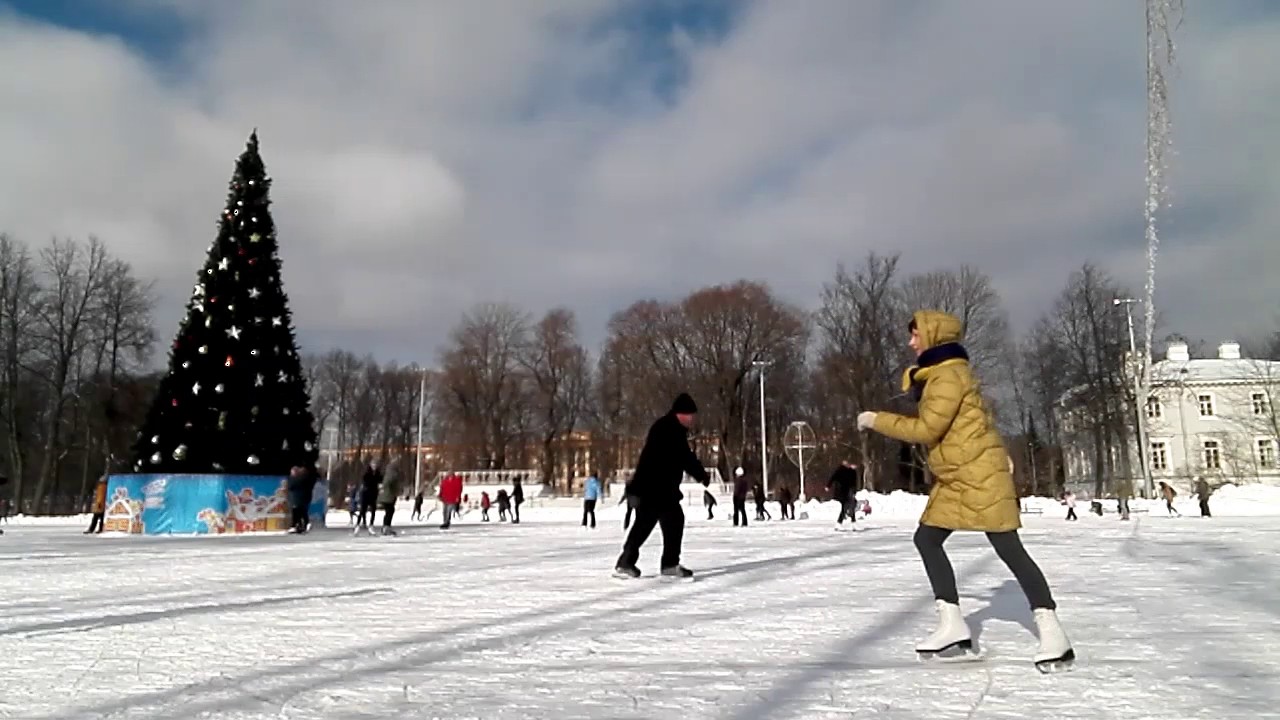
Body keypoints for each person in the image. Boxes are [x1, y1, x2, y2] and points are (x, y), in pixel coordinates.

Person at [857, 310, 1073, 672]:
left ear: (932, 335)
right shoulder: (940, 374)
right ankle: (952, 625)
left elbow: (927, 429)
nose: (911, 342)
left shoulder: (948, 377)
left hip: (979, 473)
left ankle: (1053, 632)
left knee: (1008, 548)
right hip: (957, 475)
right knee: (927, 539)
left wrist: (876, 420)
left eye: (915, 335)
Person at [613, 393, 710, 579]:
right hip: (654, 488)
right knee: (647, 525)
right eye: (691, 415)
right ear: (681, 414)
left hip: (661, 489)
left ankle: (664, 563)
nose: (693, 419)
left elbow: (681, 457)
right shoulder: (668, 429)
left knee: (669, 522)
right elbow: (683, 457)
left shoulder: (670, 428)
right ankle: (632, 562)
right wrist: (700, 474)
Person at [827, 461, 858, 529]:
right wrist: (828, 486)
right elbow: (833, 478)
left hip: (847, 492)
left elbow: (853, 482)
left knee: (850, 505)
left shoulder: (849, 471)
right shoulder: (841, 470)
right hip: (842, 492)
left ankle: (852, 522)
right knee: (846, 507)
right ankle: (840, 523)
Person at [377, 467, 400, 535]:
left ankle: (386, 527)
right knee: (389, 511)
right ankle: (386, 527)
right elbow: (388, 485)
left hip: (388, 496)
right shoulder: (391, 476)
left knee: (390, 511)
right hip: (388, 497)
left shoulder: (389, 476)